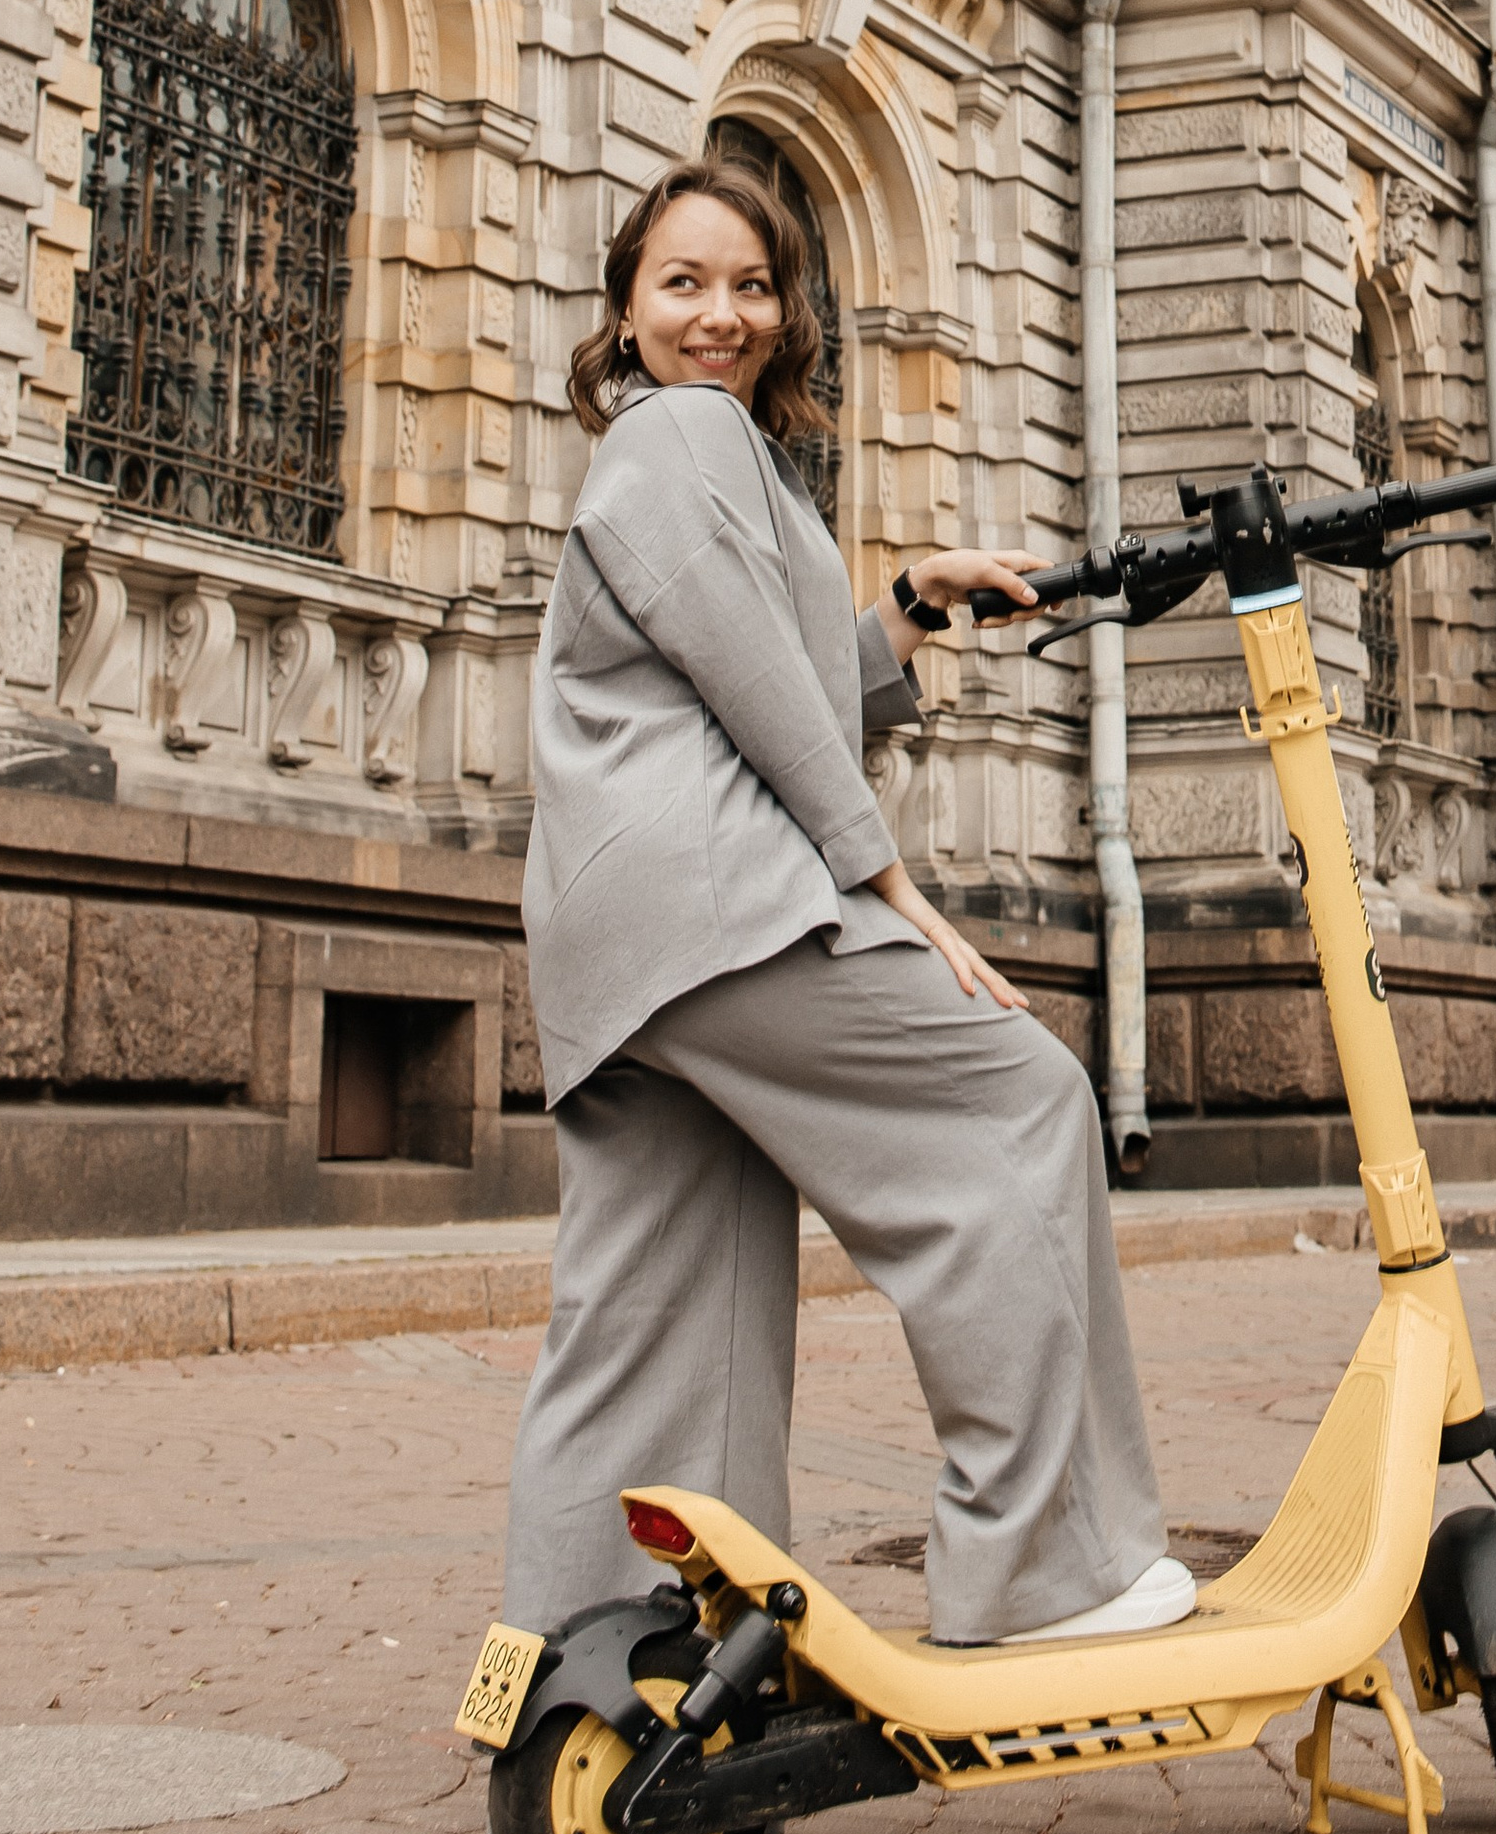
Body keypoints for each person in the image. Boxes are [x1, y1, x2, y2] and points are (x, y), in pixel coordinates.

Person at [500, 157, 1188, 1667]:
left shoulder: (697, 456)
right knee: (1017, 1104)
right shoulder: (681, 432)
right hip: (722, 908)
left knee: (656, 1323)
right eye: (682, 284)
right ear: (624, 312)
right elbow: (761, 700)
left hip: (624, 949)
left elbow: (744, 661)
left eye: (752, 286)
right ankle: (1042, 1569)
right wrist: (889, 885)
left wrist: (907, 613)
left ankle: (594, 1703)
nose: (722, 316)